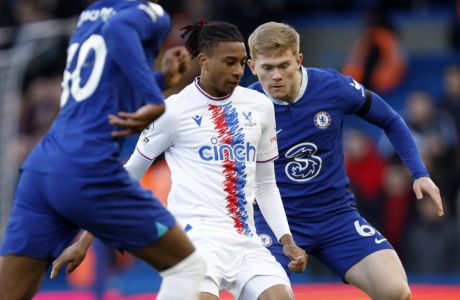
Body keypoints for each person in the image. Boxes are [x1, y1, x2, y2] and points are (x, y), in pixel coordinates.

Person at [51, 20, 307, 300]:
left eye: (242, 62)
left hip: (247, 242)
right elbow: (128, 176)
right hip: (195, 241)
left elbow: (266, 185)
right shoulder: (173, 111)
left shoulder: (259, 106)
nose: (237, 71)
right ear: (204, 61)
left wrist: (287, 241)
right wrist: (84, 241)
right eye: (229, 62)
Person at [0, 1, 207, 300]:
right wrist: (155, 99)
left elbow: (103, 99)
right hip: (87, 168)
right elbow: (119, 29)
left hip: (43, 166)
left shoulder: (90, 14)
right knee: (187, 266)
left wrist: (160, 80)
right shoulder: (151, 12)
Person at [246, 22, 443, 300]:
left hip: (335, 216)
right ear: (253, 66)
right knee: (271, 298)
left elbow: (390, 119)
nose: (276, 76)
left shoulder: (332, 87)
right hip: (273, 223)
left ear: (298, 60)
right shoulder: (243, 107)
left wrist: (419, 172)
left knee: (396, 292)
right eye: (267, 68)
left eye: (284, 65)